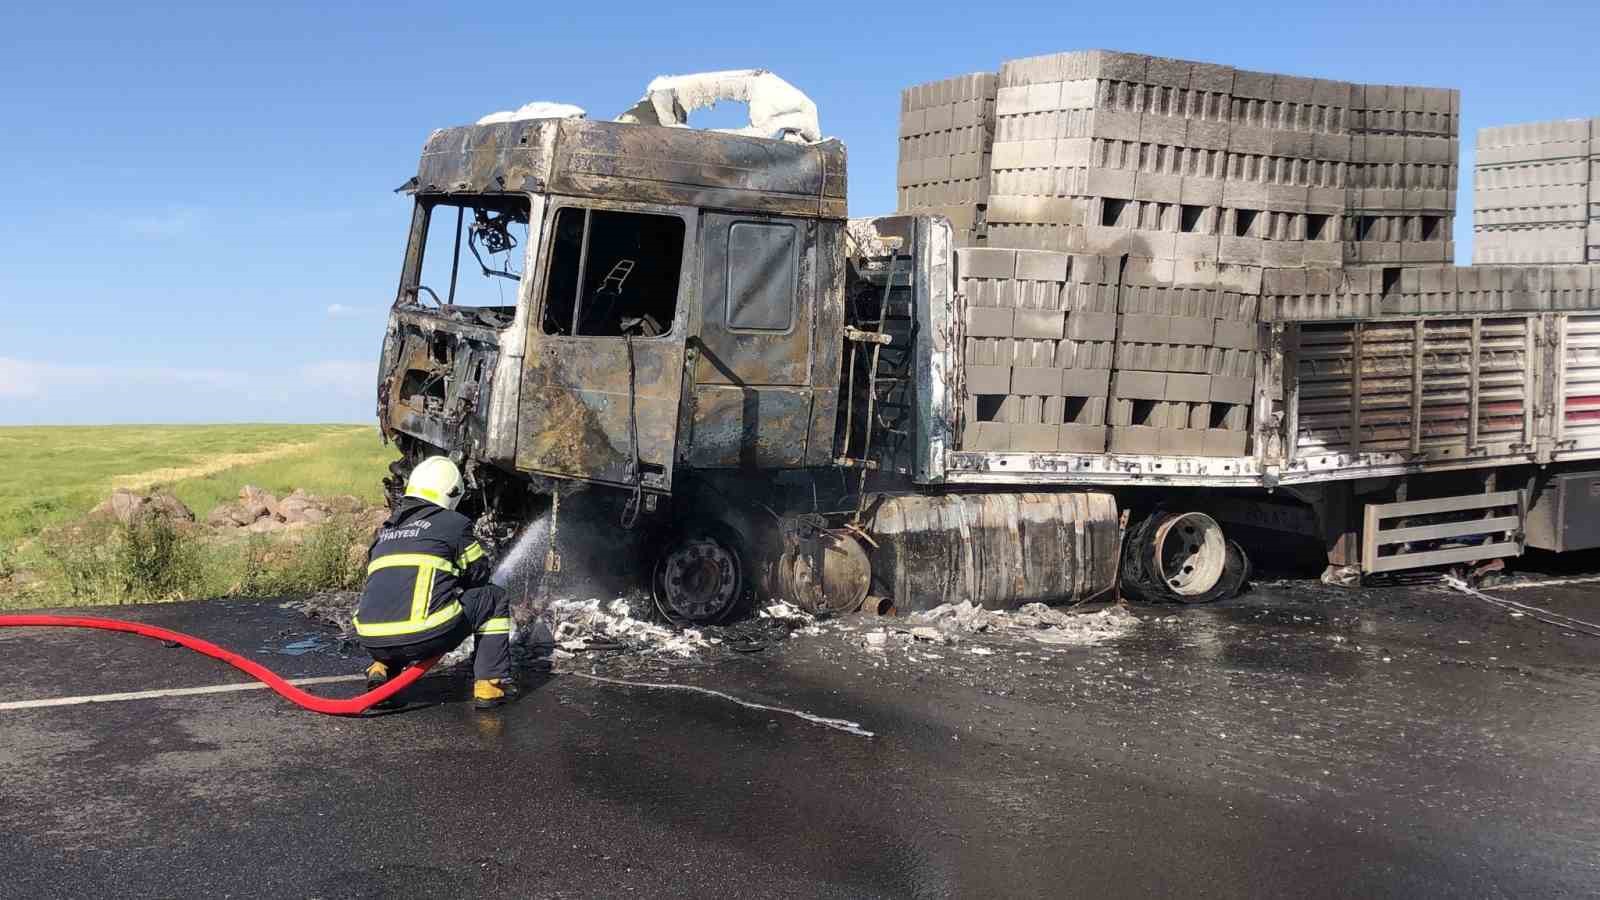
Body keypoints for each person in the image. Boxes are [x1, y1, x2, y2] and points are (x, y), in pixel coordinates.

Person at [355, 456, 517, 709]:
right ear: (451, 493)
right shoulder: (452, 523)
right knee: (493, 597)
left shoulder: (385, 531)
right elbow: (479, 575)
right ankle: (489, 686)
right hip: (425, 635)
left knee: (398, 608)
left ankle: (383, 669)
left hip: (372, 638)